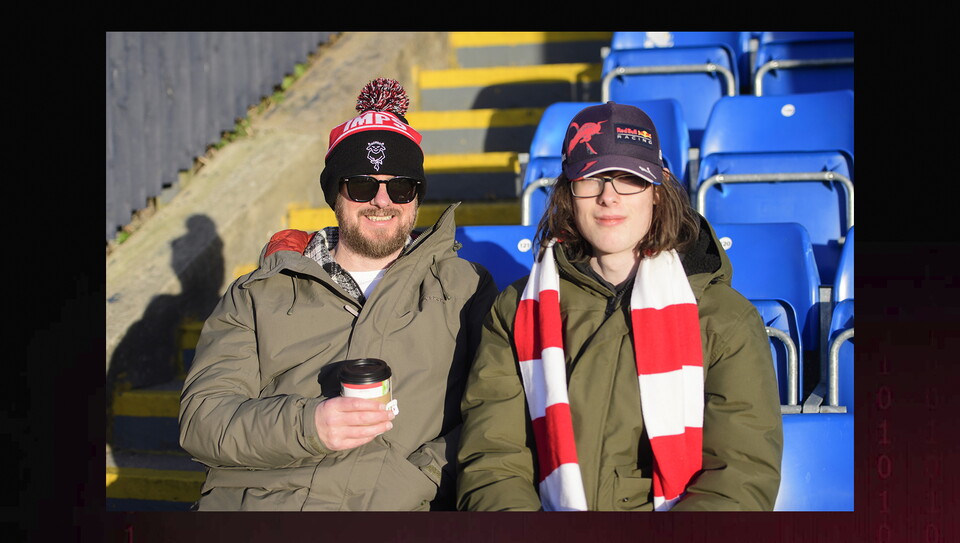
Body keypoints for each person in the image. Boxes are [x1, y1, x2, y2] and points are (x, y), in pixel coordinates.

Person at [179, 78, 498, 511]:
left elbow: (492, 416)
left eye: (401, 186)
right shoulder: (258, 295)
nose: (382, 200)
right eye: (362, 185)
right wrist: (309, 425)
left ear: (417, 197)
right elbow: (202, 422)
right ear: (336, 195)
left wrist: (409, 481)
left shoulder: (464, 289)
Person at [456, 101, 783, 511]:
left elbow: (739, 475)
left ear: (658, 192)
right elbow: (493, 460)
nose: (609, 197)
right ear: (568, 192)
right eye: (591, 178)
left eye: (629, 179)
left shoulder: (724, 319)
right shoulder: (517, 311)